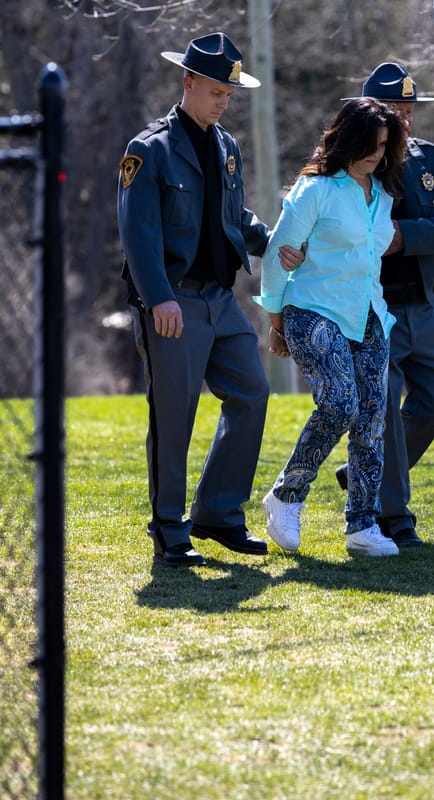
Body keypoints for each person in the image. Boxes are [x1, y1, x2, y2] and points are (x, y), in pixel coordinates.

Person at [117, 31, 303, 566]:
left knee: (251, 391)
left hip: (221, 302)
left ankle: (218, 515)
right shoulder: (146, 150)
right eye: (217, 91)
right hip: (171, 302)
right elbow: (139, 232)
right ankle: (168, 526)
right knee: (174, 415)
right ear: (189, 81)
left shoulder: (226, 147)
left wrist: (273, 244)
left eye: (230, 93)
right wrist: (158, 300)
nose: (224, 101)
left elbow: (233, 219)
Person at [253, 97, 407, 557]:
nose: (376, 154)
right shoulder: (315, 190)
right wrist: (276, 324)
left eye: (383, 145)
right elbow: (278, 256)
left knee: (372, 420)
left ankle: (362, 526)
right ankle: (286, 495)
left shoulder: (382, 196)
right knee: (340, 404)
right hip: (312, 310)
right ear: (345, 139)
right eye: (368, 144)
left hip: (370, 317)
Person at [335, 62, 434, 547]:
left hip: (425, 304)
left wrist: (404, 238)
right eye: (394, 109)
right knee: (385, 411)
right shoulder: (353, 164)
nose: (404, 118)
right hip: (375, 308)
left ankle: (363, 473)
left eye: (408, 109)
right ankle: (395, 517)